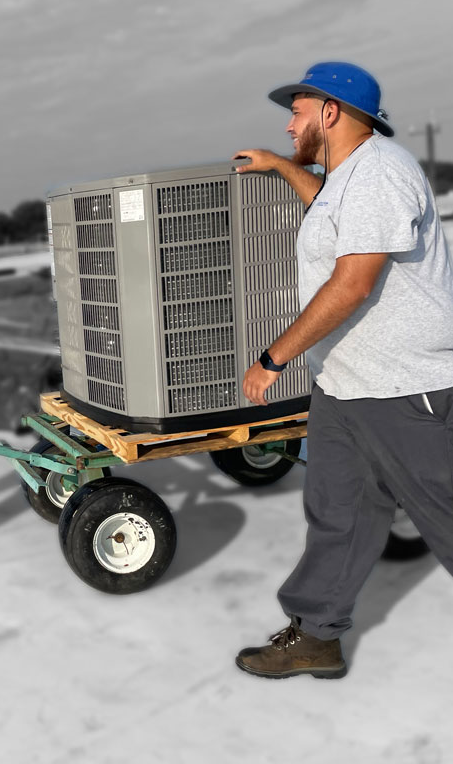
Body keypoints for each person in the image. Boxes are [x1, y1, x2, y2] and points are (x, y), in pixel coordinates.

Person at [232, 62, 453, 678]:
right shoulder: (346, 176)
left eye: (297, 110)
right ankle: (317, 635)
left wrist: (274, 358)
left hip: (404, 387)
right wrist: (283, 168)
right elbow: (331, 212)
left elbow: (353, 284)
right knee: (338, 514)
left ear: (330, 112)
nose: (289, 122)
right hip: (348, 385)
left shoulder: (382, 172)